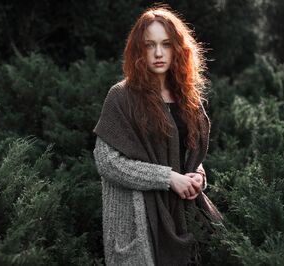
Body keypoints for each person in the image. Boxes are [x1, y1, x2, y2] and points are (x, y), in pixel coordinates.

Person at [93, 5, 222, 266]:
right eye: (150, 45)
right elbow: (107, 162)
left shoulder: (188, 99)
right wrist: (166, 178)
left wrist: (198, 175)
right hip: (141, 219)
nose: (159, 53)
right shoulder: (121, 97)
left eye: (166, 44)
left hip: (185, 214)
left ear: (178, 48)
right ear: (138, 50)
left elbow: (189, 155)